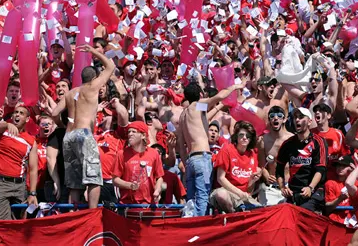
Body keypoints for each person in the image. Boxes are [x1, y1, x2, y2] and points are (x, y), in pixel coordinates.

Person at [176, 80, 246, 217]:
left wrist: (186, 163)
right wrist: (235, 86)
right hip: (202, 158)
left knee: (191, 200)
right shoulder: (197, 105)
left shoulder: (183, 115)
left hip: (191, 160)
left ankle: (190, 227)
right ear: (201, 94)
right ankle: (200, 228)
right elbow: (219, 96)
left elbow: (182, 143)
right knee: (203, 198)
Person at [62, 45, 115, 209]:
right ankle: (92, 214)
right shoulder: (93, 87)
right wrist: (93, 51)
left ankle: (74, 213)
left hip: (68, 136)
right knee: (93, 178)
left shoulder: (71, 92)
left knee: (74, 182)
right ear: (94, 79)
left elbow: (55, 112)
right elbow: (111, 66)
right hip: (84, 134)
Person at [0, 105, 39, 220]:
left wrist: (32, 193)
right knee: (0, 224)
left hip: (20, 186)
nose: (17, 115)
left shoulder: (31, 141)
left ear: (27, 119)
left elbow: (33, 169)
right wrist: (6, 124)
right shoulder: (3, 130)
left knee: (18, 225)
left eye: (21, 113)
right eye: (15, 112)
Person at [276, 107, 329, 212]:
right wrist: (282, 188)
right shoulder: (287, 144)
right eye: (295, 117)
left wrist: (310, 187)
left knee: (302, 215)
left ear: (309, 121)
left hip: (314, 192)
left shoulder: (319, 141)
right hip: (293, 193)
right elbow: (279, 168)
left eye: (301, 117)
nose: (297, 120)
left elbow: (320, 169)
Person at [209, 122, 261, 213]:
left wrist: (252, 181)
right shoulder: (227, 150)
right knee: (221, 194)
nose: (244, 137)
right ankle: (234, 215)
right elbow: (220, 178)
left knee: (261, 211)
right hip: (226, 191)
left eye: (248, 136)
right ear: (236, 136)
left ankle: (241, 212)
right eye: (241, 135)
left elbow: (249, 191)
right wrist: (239, 193)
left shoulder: (252, 155)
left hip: (243, 196)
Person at [112, 121, 164, 205]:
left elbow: (159, 177)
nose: (130, 134)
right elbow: (115, 180)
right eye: (129, 132)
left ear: (143, 135)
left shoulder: (154, 153)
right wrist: (129, 185)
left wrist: (157, 190)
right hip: (127, 205)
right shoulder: (121, 154)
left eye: (134, 131)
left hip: (149, 204)